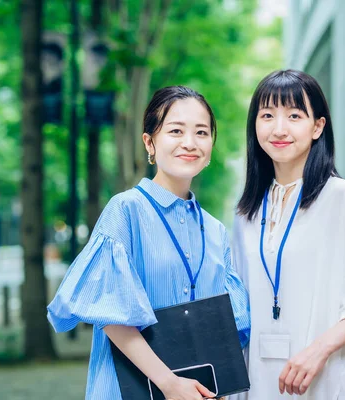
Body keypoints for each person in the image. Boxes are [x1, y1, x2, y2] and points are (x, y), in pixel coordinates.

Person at [47, 86, 250, 400]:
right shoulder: (125, 211)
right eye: (175, 131)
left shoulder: (215, 231)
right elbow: (112, 318)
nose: (189, 142)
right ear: (149, 143)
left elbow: (222, 327)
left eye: (201, 132)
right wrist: (170, 385)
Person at [232, 70, 345, 399]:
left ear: (317, 126)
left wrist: (318, 350)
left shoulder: (342, 198)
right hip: (257, 381)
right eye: (267, 115)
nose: (279, 128)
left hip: (322, 377)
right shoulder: (246, 213)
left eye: (294, 116)